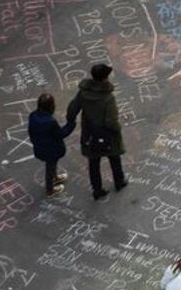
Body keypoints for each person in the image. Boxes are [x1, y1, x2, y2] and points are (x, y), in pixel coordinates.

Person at [66, 63, 127, 201]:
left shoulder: (83, 93)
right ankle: (119, 181)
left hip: (90, 133)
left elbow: (73, 108)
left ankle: (97, 189)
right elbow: (111, 121)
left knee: (94, 162)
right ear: (105, 78)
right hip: (108, 135)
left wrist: (70, 120)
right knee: (114, 158)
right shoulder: (108, 98)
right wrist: (117, 129)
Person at [28, 93, 76, 197]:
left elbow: (30, 132)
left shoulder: (33, 116)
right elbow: (61, 134)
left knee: (52, 165)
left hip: (40, 147)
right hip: (52, 150)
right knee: (50, 167)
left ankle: (55, 178)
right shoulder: (50, 122)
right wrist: (71, 125)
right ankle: (50, 190)